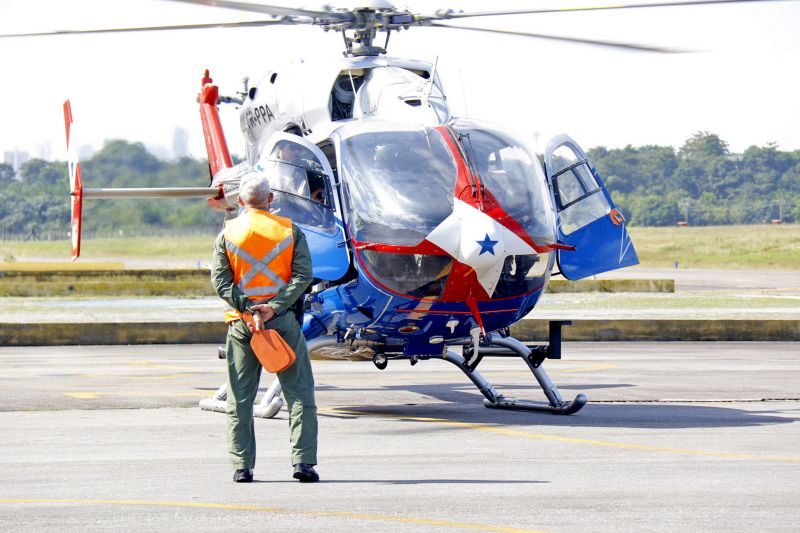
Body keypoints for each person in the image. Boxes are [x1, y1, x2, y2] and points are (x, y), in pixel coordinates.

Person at [211, 171, 319, 483]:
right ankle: (303, 463)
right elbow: (303, 275)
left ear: (241, 200)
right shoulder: (289, 230)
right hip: (281, 320)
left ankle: (242, 467)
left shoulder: (228, 233)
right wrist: (274, 306)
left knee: (240, 397)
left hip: (242, 324)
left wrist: (248, 307)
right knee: (299, 392)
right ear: (270, 199)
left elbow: (220, 281)